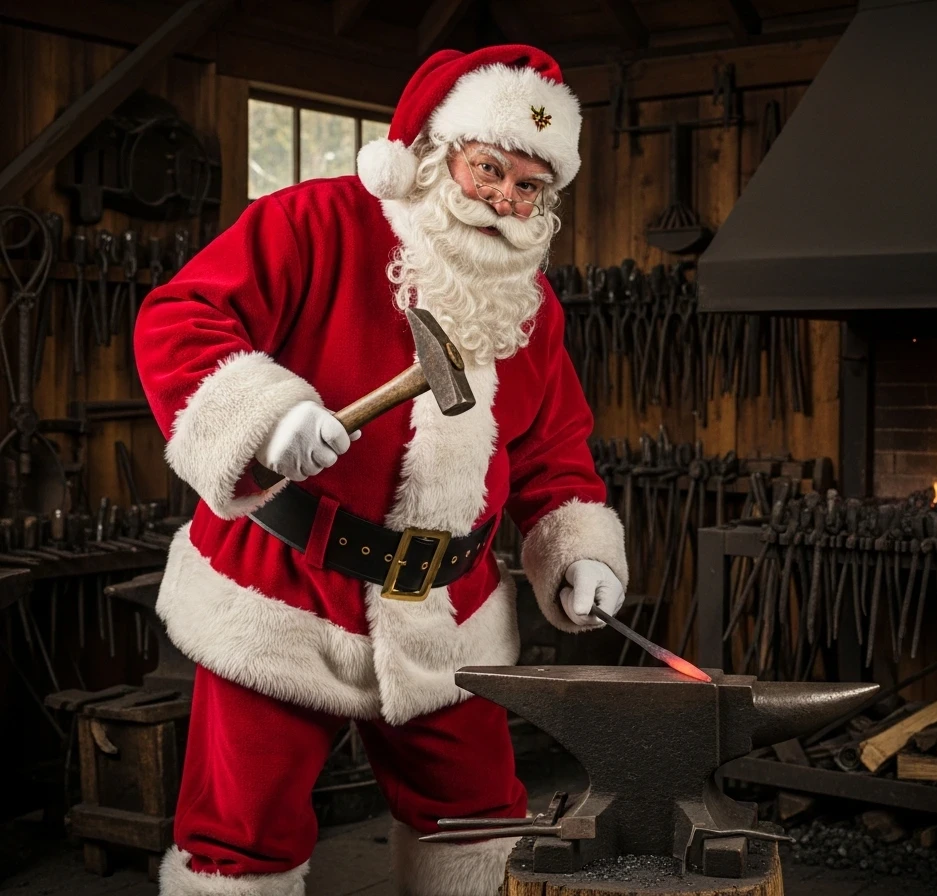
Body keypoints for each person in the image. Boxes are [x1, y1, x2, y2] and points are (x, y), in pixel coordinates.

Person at [135, 45, 628, 896]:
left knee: (479, 828)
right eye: (489, 170)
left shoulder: (529, 304)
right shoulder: (315, 222)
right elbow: (180, 319)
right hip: (283, 594)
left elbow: (551, 447)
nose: (504, 201)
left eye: (528, 188)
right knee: (238, 845)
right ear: (438, 154)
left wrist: (576, 547)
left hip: (446, 614)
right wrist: (269, 416)